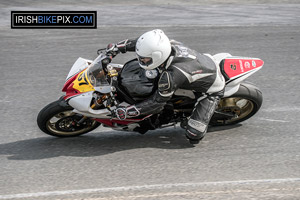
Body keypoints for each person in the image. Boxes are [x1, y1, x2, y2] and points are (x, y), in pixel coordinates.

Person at [107, 29, 225, 144]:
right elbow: (141, 44)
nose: (141, 60)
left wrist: (128, 112)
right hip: (199, 66)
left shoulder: (172, 75)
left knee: (194, 134)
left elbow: (157, 103)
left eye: (145, 58)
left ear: (158, 56)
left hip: (211, 88)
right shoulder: (167, 44)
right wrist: (117, 47)